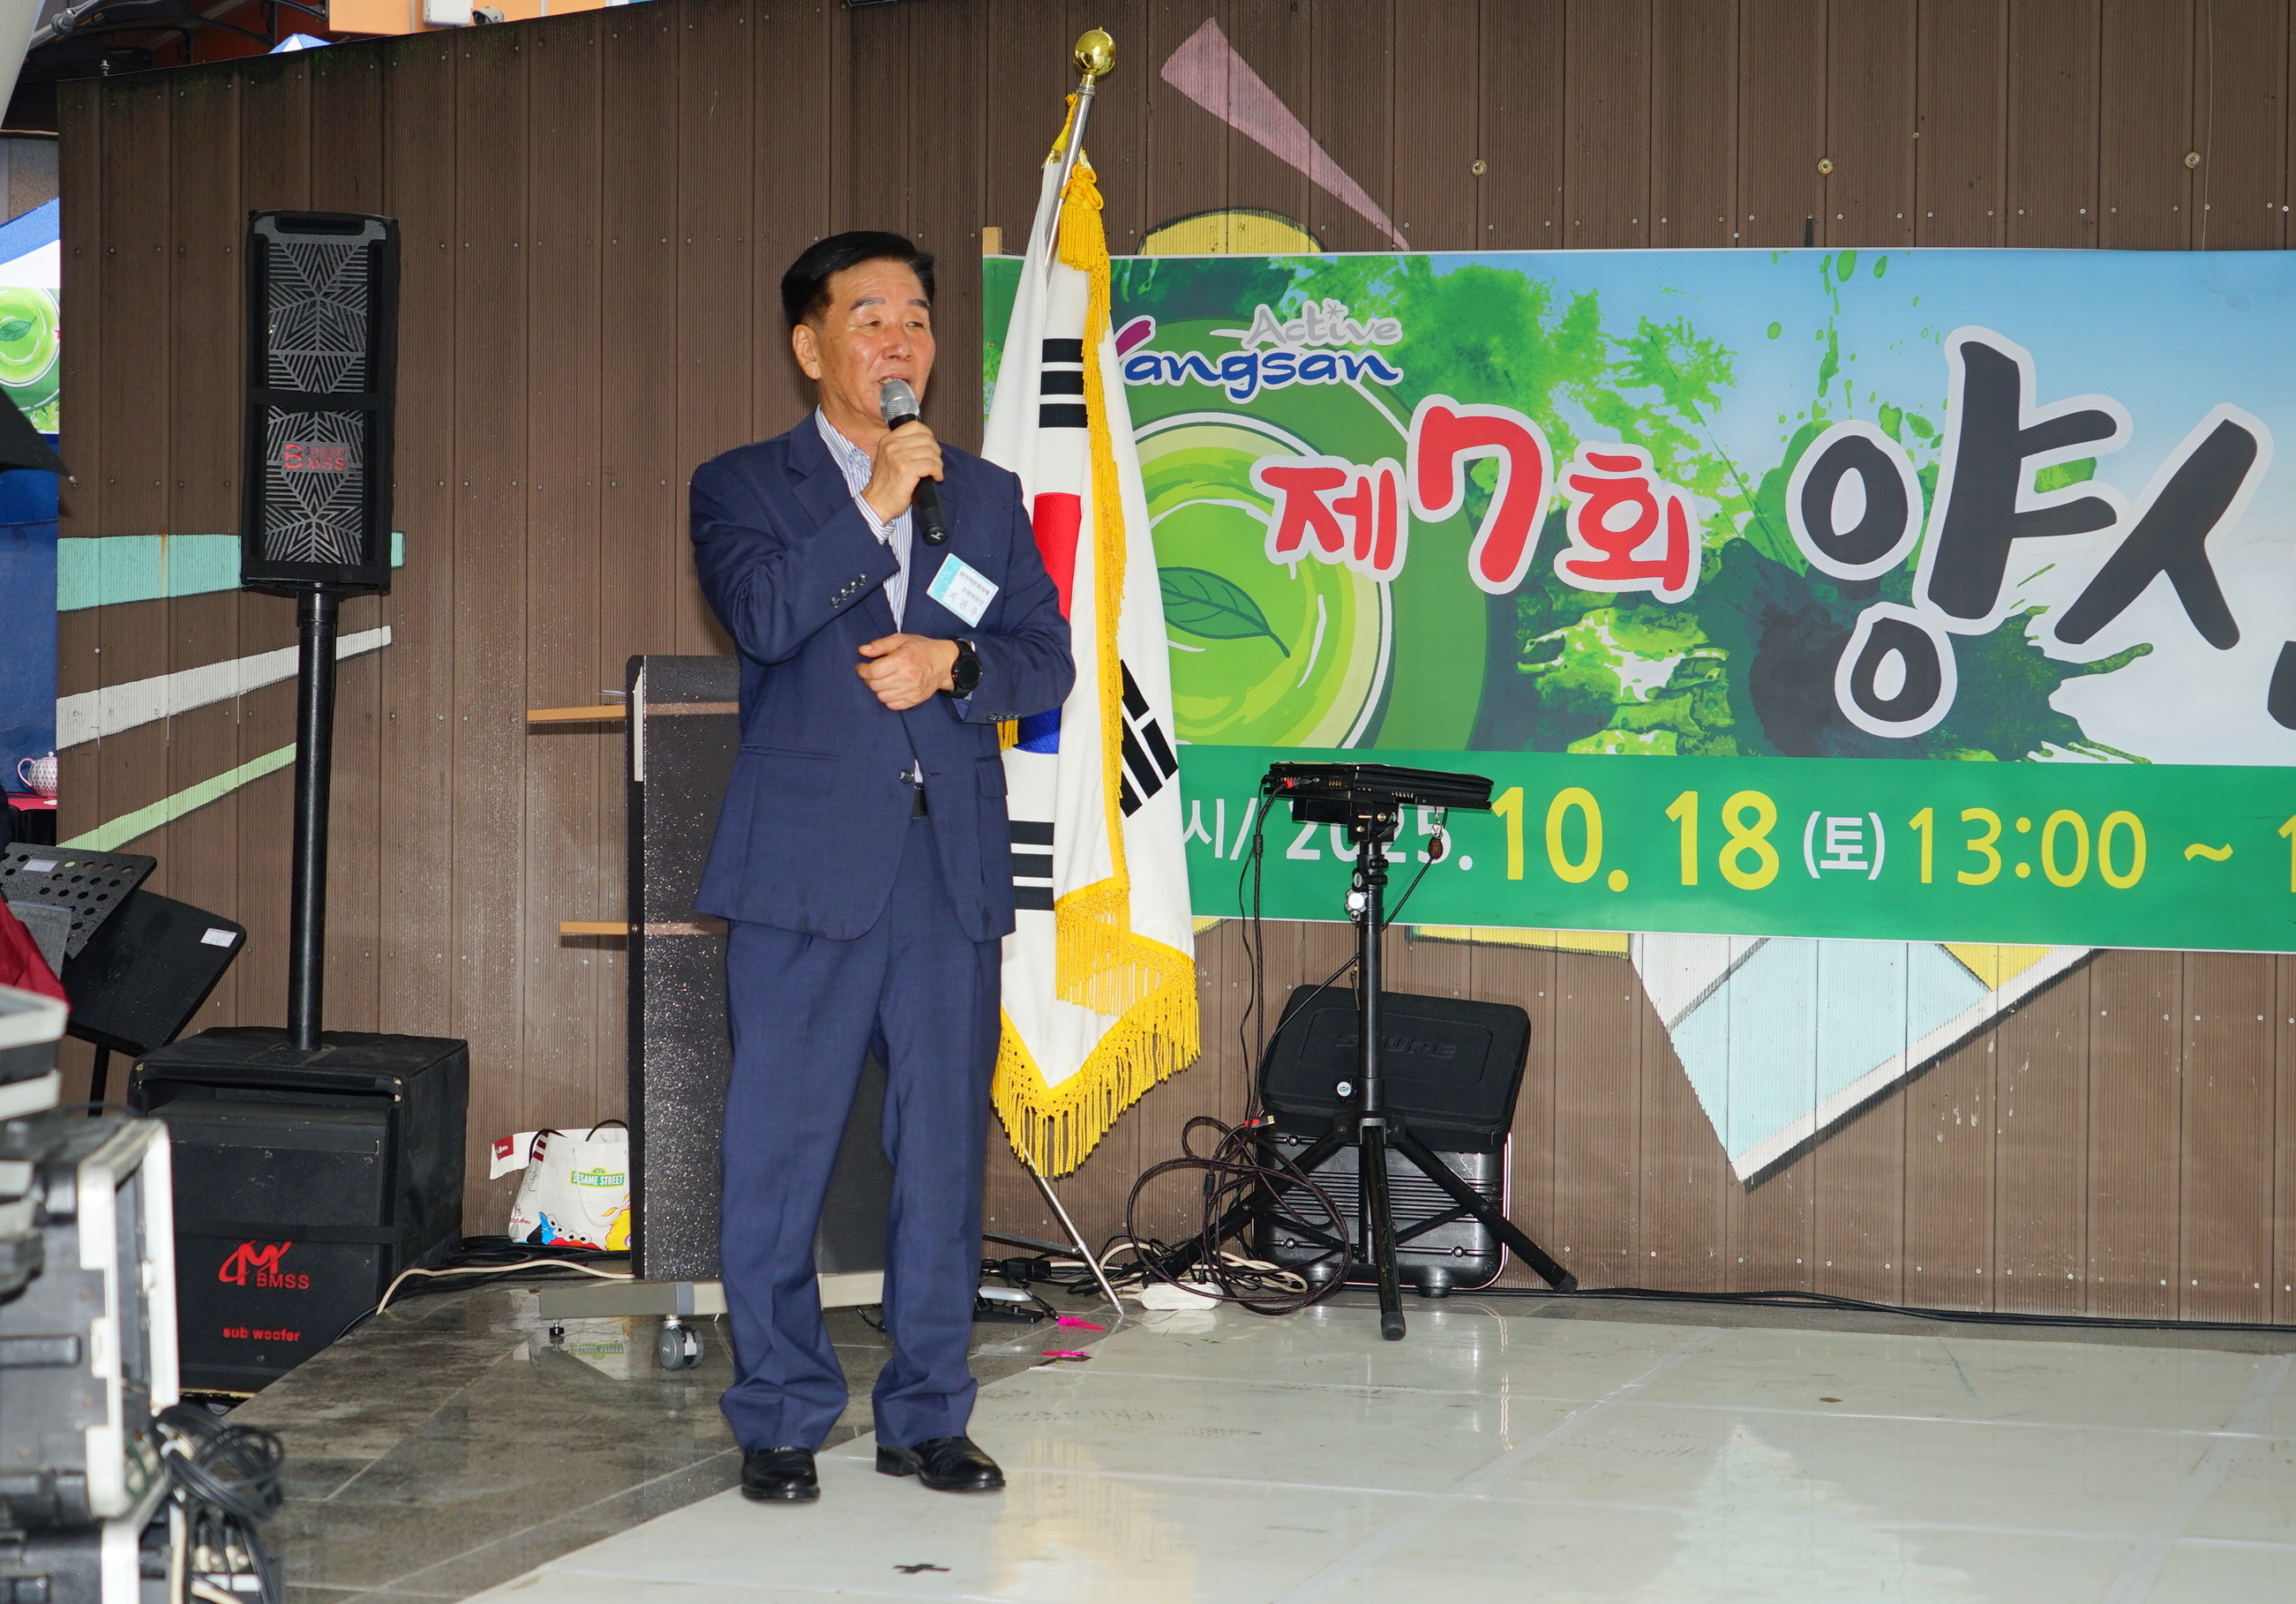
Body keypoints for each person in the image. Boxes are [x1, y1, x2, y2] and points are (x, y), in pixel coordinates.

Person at [688, 232, 1073, 1506]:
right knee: (777, 1155)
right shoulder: (743, 484)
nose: (899, 340)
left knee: (943, 1156)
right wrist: (876, 508)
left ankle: (927, 1414)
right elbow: (763, 616)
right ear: (811, 347)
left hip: (946, 870)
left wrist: (958, 666)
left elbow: (1047, 659)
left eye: (915, 317)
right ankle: (780, 1415)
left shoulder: (990, 495)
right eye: (869, 318)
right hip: (804, 868)